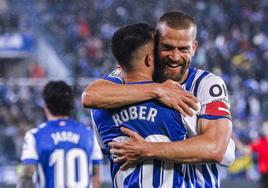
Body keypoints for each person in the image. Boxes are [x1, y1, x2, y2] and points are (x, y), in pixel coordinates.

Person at [82, 11, 235, 187]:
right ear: (154, 47)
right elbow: (90, 95)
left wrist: (146, 149)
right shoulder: (129, 74)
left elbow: (217, 149)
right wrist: (157, 90)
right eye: (167, 47)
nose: (175, 57)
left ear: (194, 48)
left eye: (183, 49)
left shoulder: (207, 84)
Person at [91, 22, 194, 187]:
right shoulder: (177, 99)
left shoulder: (99, 109)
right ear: (149, 58)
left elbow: (105, 149)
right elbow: (220, 152)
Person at [17, 81, 103, 188]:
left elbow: (27, 177)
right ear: (71, 105)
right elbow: (96, 176)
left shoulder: (35, 136)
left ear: (46, 105)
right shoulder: (89, 135)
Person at [235, 121, 268, 188]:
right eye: (264, 128)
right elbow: (246, 150)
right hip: (264, 174)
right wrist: (235, 140)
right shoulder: (260, 142)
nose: (265, 129)